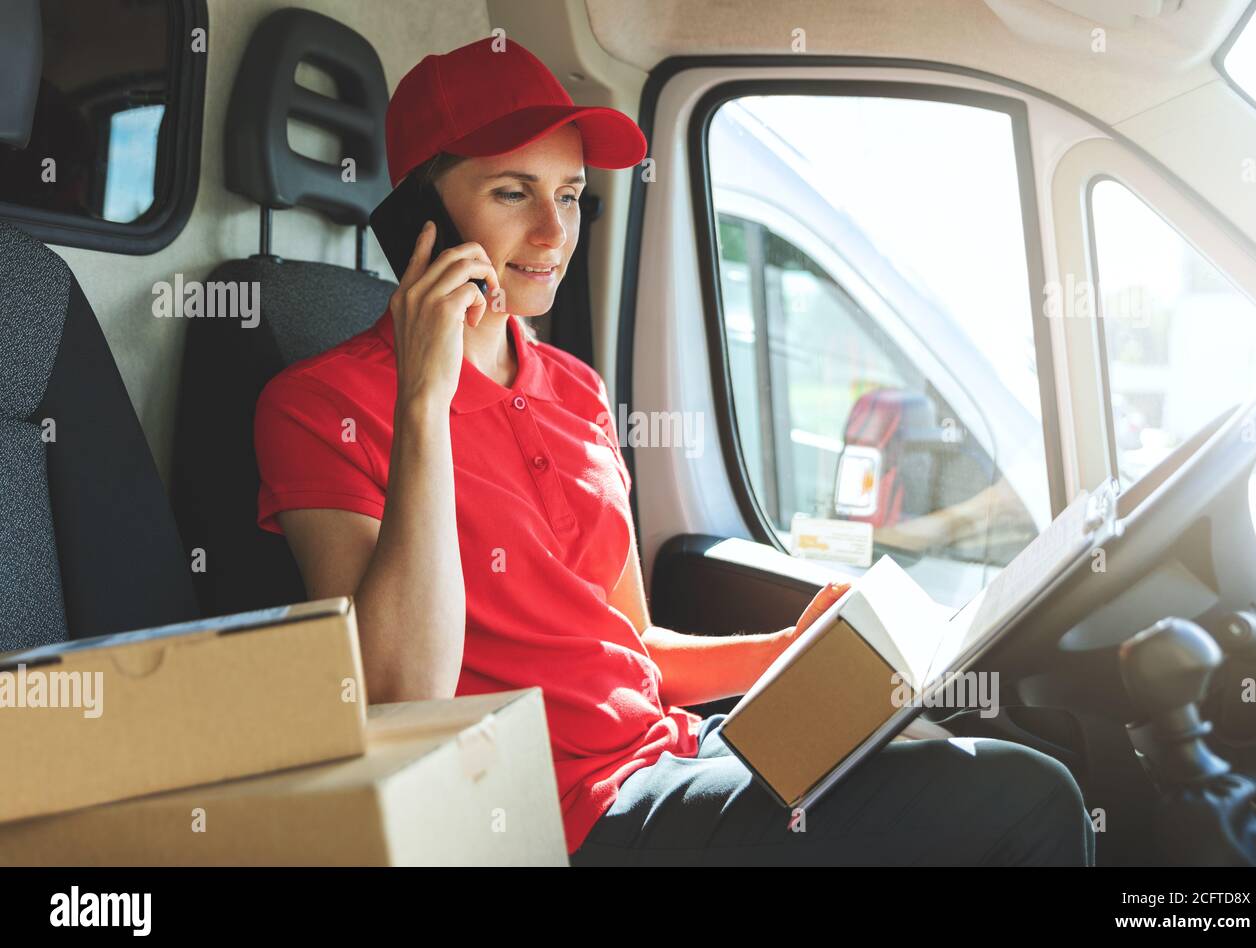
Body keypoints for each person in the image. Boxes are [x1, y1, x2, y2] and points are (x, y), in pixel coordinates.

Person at [252, 36, 1095, 866]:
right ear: (419, 219)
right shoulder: (322, 405)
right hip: (555, 811)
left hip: (673, 751)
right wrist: (426, 400)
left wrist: (785, 652)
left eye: (573, 195)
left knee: (939, 751)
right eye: (515, 193)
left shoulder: (575, 388)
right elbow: (400, 697)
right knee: (1030, 796)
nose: (554, 231)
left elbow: (630, 646)